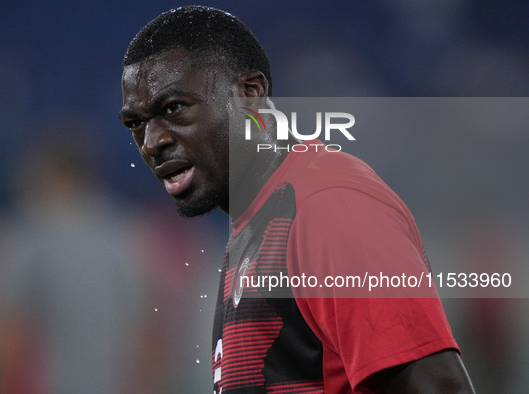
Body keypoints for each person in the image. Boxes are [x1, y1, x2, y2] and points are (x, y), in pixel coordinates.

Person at [119, 5, 475, 393]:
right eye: (136, 123)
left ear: (250, 96)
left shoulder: (328, 206)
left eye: (174, 109)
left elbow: (438, 387)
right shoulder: (258, 218)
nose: (152, 142)